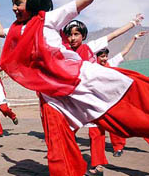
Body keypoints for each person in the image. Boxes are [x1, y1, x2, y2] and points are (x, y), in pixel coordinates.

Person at [0, 0, 149, 176]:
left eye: (18, 3)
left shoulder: (48, 20)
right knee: (57, 142)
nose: (14, 8)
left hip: (80, 80)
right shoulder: (17, 30)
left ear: (34, 1)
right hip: (53, 95)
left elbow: (85, 0)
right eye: (12, 3)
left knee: (133, 108)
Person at [62, 19, 146, 175]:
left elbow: (113, 35)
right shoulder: (64, 53)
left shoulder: (90, 47)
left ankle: (98, 165)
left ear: (83, 35)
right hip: (77, 100)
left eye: (76, 34)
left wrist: (132, 24)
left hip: (99, 99)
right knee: (67, 132)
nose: (73, 38)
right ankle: (73, 164)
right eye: (69, 35)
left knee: (104, 130)